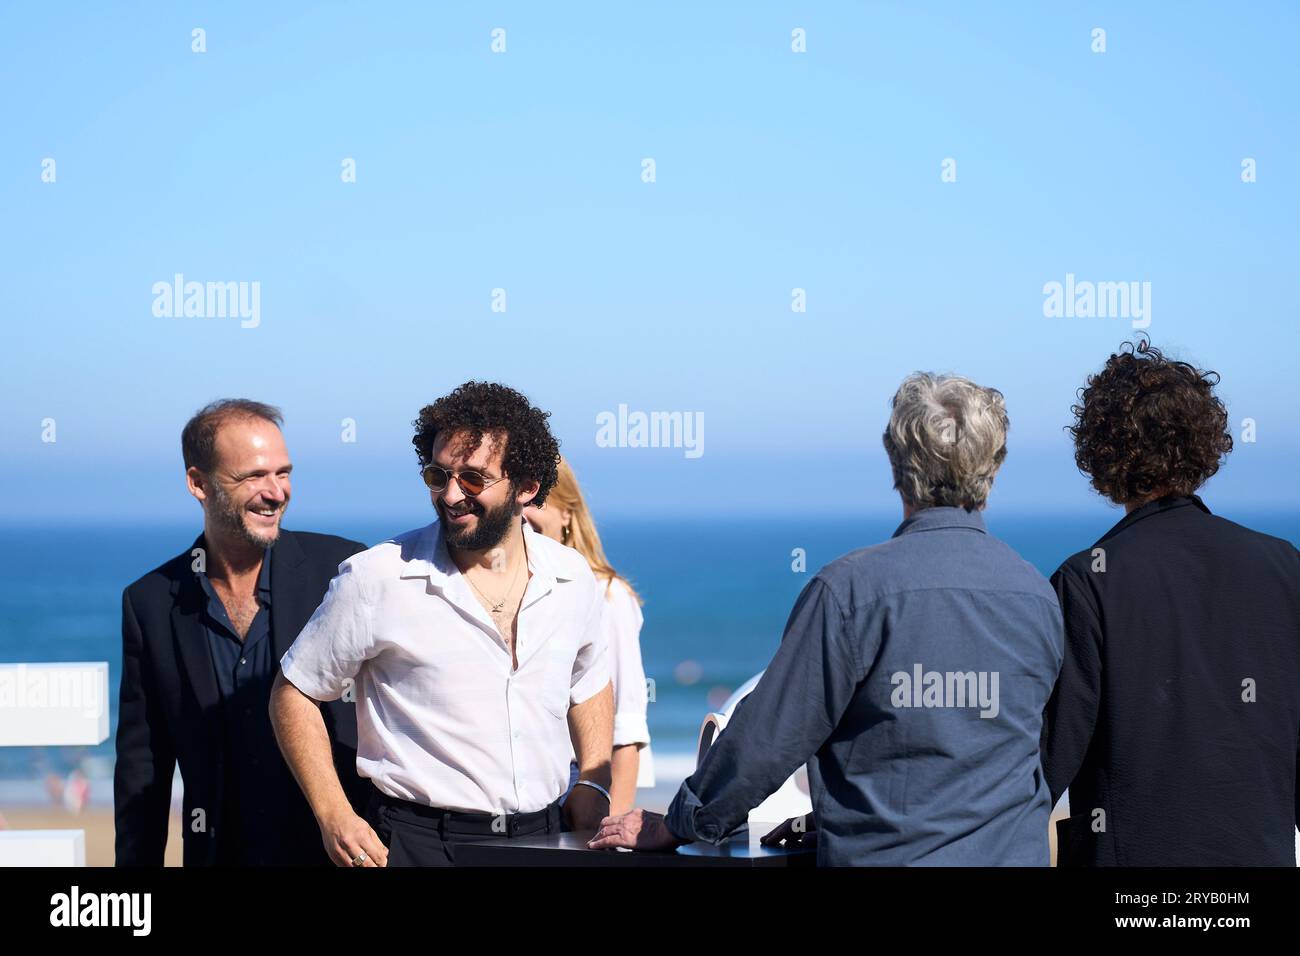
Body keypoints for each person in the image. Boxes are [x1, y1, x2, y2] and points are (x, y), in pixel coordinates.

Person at [590, 373, 1064, 865]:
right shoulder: (1036, 596)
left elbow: (766, 742)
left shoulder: (849, 592)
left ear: (897, 461)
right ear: (994, 466)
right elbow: (1018, 750)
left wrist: (679, 821)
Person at [270, 381, 614, 867]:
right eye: (438, 475)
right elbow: (294, 692)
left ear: (528, 488)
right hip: (419, 845)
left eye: (474, 478)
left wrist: (595, 783)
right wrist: (334, 815)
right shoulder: (378, 576)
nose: (451, 495)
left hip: (549, 838)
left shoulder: (572, 577)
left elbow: (592, 681)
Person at [1041, 339, 1300, 866]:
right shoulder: (1284, 567)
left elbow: (1047, 763)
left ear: (1101, 453)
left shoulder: (1088, 580)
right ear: (1205, 444)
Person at [114, 399, 368, 866]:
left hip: (339, 858)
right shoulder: (148, 603)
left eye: (283, 472)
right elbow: (142, 769)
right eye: (253, 476)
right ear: (198, 484)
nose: (276, 492)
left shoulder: (343, 570)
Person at [524, 456, 652, 814]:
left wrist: (613, 833)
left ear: (568, 512)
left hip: (576, 791)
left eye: (536, 500)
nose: (523, 514)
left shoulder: (607, 595)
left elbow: (626, 729)